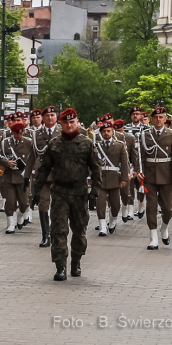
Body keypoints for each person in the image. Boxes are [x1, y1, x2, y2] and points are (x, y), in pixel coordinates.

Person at [33, 107, 101, 282]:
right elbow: (43, 169)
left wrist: (94, 192)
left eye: (72, 122)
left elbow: (96, 169)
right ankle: (60, 266)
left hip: (79, 193)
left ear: (77, 122)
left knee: (79, 230)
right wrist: (36, 192)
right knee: (58, 230)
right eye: (66, 122)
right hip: (60, 193)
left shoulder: (86, 143)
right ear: (60, 124)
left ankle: (76, 262)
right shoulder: (54, 144)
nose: (69, 125)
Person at [137, 106, 172, 250]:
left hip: (166, 176)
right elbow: (141, 155)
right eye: (155, 117)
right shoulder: (145, 134)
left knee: (167, 208)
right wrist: (139, 171)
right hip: (149, 176)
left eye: (161, 117)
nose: (158, 120)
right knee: (151, 207)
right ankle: (153, 237)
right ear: (152, 119)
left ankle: (164, 228)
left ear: (165, 118)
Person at [92, 121, 128, 237]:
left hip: (114, 178)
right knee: (100, 203)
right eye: (104, 131)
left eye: (108, 131)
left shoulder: (120, 145)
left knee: (116, 204)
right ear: (101, 133)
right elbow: (92, 163)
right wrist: (91, 177)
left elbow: (124, 163)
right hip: (100, 178)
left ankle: (113, 220)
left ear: (113, 132)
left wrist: (124, 178)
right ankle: (102, 226)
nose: (106, 133)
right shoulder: (96, 146)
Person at [31, 106, 59, 246]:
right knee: (43, 204)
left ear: (56, 117)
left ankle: (56, 234)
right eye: (47, 115)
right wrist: (27, 174)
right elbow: (33, 155)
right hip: (43, 173)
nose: (50, 117)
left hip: (60, 174)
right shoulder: (37, 134)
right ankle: (45, 235)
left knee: (58, 205)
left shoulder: (63, 132)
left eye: (52, 115)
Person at [0, 120, 34, 235]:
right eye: (16, 133)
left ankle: (20, 217)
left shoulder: (29, 142)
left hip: (23, 177)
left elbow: (34, 158)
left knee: (24, 202)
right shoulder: (5, 143)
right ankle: (10, 224)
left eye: (21, 133)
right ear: (12, 132)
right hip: (9, 177)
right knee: (10, 202)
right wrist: (6, 163)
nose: (19, 135)